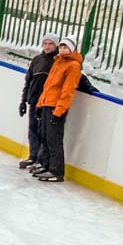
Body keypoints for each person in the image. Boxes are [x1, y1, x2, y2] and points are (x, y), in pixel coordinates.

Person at [33, 36, 88, 183]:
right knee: (44, 135)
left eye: (66, 47)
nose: (63, 50)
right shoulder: (57, 61)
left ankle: (56, 171)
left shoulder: (73, 66)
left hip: (56, 107)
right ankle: (45, 164)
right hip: (46, 104)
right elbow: (48, 86)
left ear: (72, 49)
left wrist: (59, 112)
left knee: (53, 139)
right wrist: (40, 104)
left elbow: (67, 92)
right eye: (62, 47)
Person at [17, 35, 60, 172]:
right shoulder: (37, 60)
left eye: (51, 44)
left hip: (46, 103)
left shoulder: (57, 62)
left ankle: (41, 160)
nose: (47, 46)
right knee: (33, 129)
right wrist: (23, 101)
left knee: (43, 132)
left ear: (56, 45)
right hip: (34, 101)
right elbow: (28, 82)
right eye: (45, 43)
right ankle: (33, 156)